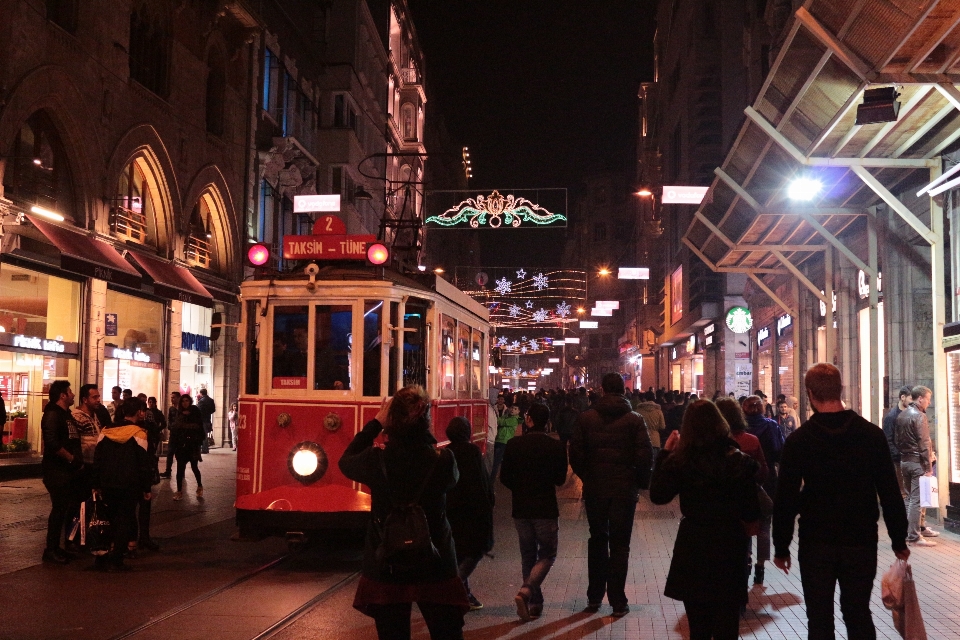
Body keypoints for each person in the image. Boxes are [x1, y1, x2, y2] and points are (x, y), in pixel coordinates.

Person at [773, 363, 909, 639]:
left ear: (810, 394)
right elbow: (890, 492)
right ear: (841, 389)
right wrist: (898, 540)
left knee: (819, 616)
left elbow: (785, 497)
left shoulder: (799, 440)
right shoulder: (871, 435)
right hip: (860, 539)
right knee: (858, 611)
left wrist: (781, 546)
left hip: (816, 541)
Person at [339, 386, 468, 640]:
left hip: (387, 561)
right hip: (436, 559)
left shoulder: (376, 460)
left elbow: (346, 460)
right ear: (427, 419)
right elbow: (452, 483)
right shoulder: (444, 460)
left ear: (391, 419)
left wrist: (375, 423)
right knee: (448, 634)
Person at [650, 400, 761, 640]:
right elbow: (752, 511)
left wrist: (665, 453)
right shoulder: (738, 461)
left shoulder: (682, 462)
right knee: (727, 625)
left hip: (694, 543)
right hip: (729, 543)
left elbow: (658, 495)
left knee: (698, 627)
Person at [569, 373, 652, 617]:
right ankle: (618, 601)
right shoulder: (635, 420)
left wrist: (587, 478)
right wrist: (638, 483)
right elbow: (645, 456)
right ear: (624, 391)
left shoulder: (586, 419)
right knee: (620, 545)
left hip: (596, 490)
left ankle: (594, 597)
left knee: (597, 540)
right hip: (624, 491)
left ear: (602, 390)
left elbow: (576, 454)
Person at [500, 403, 568, 621]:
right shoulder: (556, 447)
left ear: (528, 420)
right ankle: (527, 591)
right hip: (545, 507)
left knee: (527, 555)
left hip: (520, 508)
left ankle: (534, 603)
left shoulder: (513, 445)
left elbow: (504, 478)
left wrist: (521, 488)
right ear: (547, 422)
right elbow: (560, 479)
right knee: (548, 554)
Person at [93, 398, 155, 571]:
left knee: (110, 519)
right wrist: (146, 488)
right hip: (129, 484)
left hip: (107, 483)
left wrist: (96, 483)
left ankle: (103, 555)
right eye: (141, 410)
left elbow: (98, 459)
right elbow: (144, 464)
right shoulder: (139, 434)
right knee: (125, 520)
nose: (143, 413)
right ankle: (116, 558)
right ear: (137, 413)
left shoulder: (106, 431)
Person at [444, 416, 494, 610]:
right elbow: (481, 482)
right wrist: (489, 503)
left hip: (451, 510)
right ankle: (455, 588)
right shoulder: (472, 451)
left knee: (458, 552)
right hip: (471, 511)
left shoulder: (446, 452)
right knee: (476, 550)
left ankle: (464, 593)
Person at [741, 394, 783, 585]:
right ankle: (760, 566)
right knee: (765, 523)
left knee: (745, 520)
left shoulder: (739, 429)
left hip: (744, 480)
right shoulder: (771, 425)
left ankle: (746, 558)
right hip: (767, 479)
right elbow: (778, 449)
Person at [40, 380, 82, 564]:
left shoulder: (67, 414)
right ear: (62, 395)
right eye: (70, 391)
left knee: (65, 509)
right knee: (58, 509)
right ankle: (51, 549)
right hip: (56, 470)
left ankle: (58, 547)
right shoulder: (52, 414)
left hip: (69, 470)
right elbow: (52, 442)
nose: (73, 394)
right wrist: (70, 457)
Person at [895, 385, 938, 546]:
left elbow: (897, 440)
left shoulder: (902, 415)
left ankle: (908, 531)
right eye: (928, 399)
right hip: (916, 463)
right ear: (920, 398)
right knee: (916, 500)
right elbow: (924, 442)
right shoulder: (919, 416)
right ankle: (914, 535)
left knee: (909, 498)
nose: (929, 402)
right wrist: (928, 467)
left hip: (904, 461)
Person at [170, 394, 204, 501]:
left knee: (194, 467)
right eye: (183, 401)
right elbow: (174, 428)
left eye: (187, 401)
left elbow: (198, 426)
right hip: (181, 445)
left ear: (190, 401)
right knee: (180, 469)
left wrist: (184, 424)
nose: (185, 403)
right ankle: (179, 491)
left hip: (193, 445)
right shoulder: (179, 413)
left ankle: (199, 485)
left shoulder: (195, 411)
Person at [882, 386, 912, 498]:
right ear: (902, 397)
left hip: (909, 458)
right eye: (910, 399)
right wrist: (899, 455)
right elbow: (888, 439)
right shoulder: (892, 416)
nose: (912, 402)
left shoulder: (911, 413)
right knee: (903, 493)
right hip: (899, 460)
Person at [490, 404, 520, 482]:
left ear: (518, 411)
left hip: (504, 441)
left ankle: (491, 479)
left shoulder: (514, 419)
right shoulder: (507, 416)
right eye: (512, 408)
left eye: (515, 409)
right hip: (499, 440)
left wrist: (496, 418)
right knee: (497, 461)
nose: (513, 410)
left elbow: (500, 421)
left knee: (496, 462)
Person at [634, 390, 665, 458]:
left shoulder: (638, 410)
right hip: (655, 440)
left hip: (641, 439)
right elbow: (662, 426)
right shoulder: (658, 411)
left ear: (645, 398)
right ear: (654, 398)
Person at [160, 391, 181, 478]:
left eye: (174, 397)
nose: (172, 399)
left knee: (179, 454)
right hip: (173, 434)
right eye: (171, 397)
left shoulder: (182, 409)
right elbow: (169, 420)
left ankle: (181, 472)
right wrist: (171, 427)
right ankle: (168, 471)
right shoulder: (171, 409)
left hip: (181, 435)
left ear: (178, 398)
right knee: (170, 453)